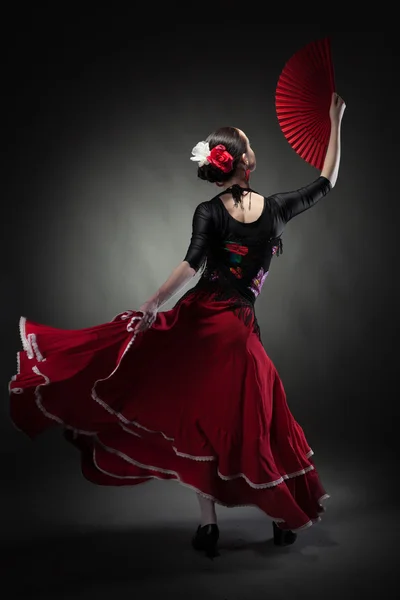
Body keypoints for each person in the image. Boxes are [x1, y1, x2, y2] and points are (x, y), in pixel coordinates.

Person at [9, 92, 345, 560]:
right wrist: (335, 119)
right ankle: (277, 517)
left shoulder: (209, 211)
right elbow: (326, 180)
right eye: (248, 145)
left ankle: (210, 525)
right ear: (244, 161)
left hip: (202, 324)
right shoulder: (277, 209)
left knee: (198, 418)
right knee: (258, 420)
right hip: (236, 328)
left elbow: (191, 268)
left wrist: (153, 304)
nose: (252, 149)